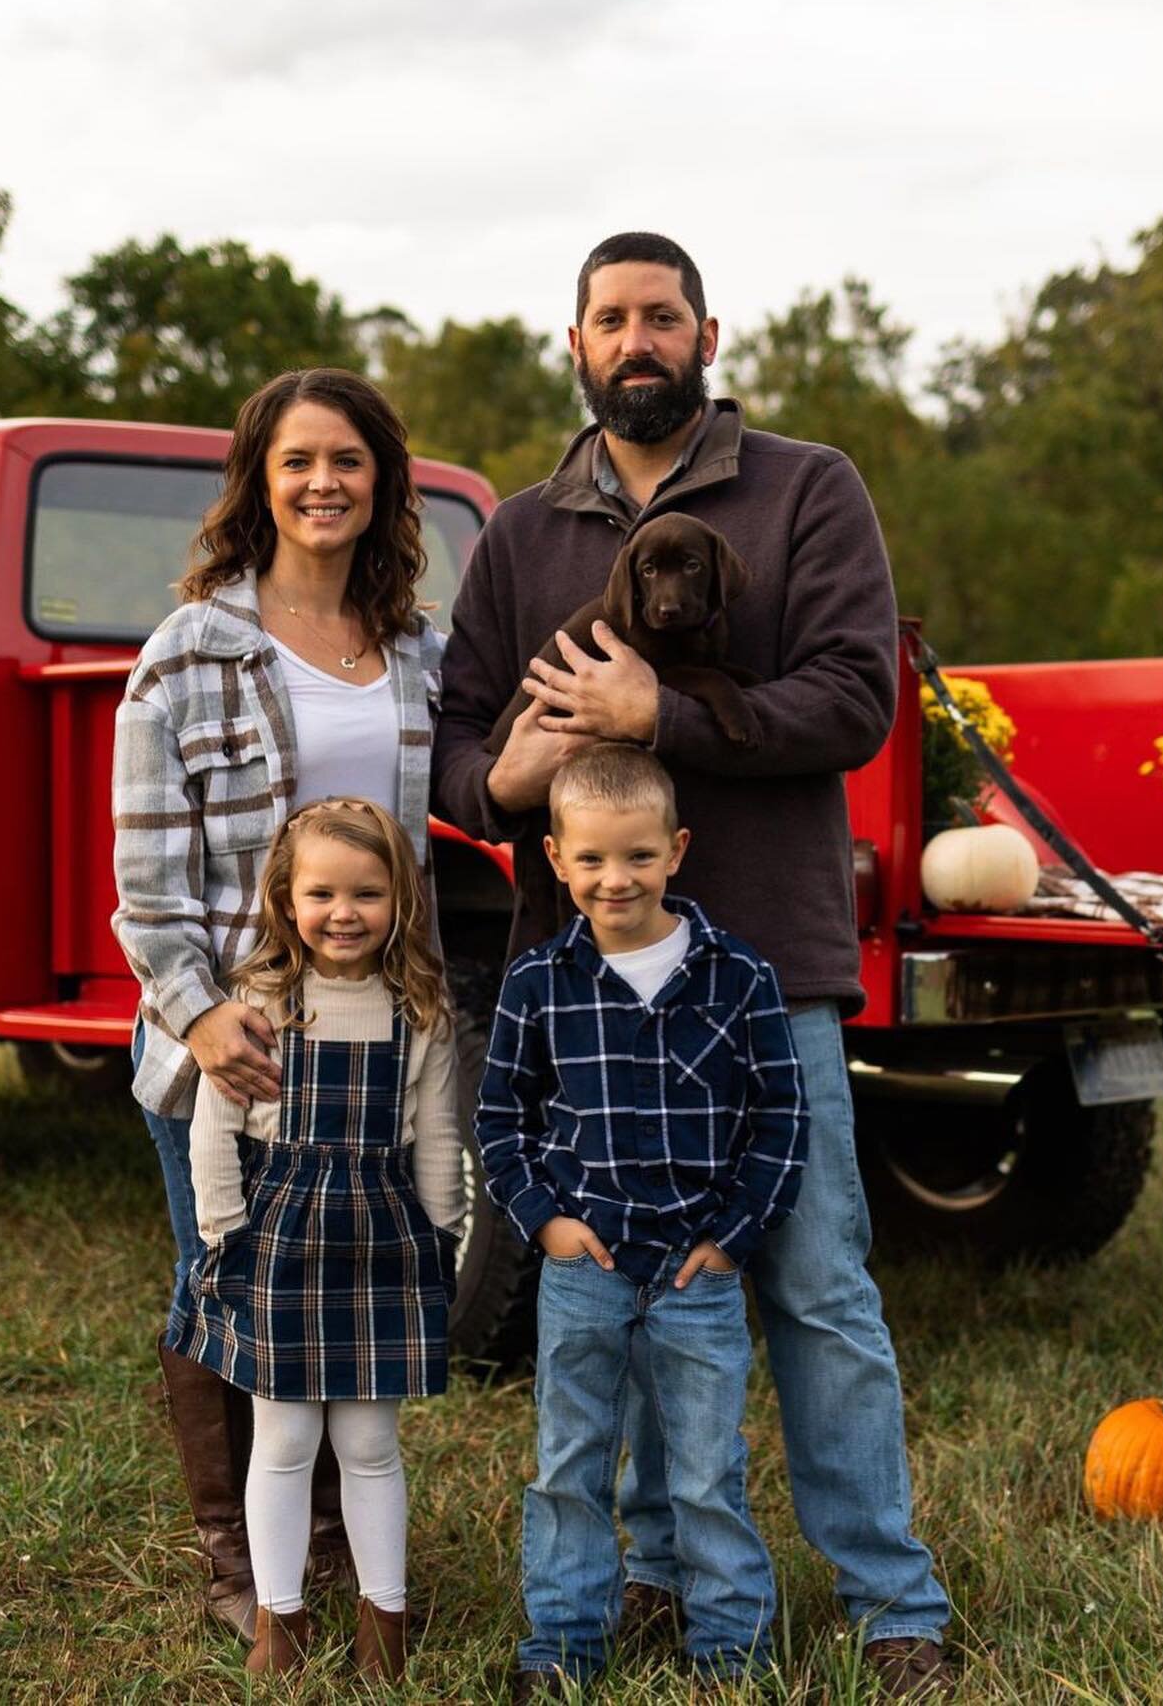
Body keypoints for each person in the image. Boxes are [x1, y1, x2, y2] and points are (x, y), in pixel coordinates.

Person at [433, 231, 954, 1697]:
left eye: (662, 315)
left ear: (708, 335)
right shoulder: (526, 533)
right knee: (640, 1279)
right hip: (592, 982)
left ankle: (890, 1600)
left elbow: (854, 699)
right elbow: (462, 741)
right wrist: (510, 778)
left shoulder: (808, 488)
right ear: (579, 344)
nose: (636, 339)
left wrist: (660, 709)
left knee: (813, 1279)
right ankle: (658, 1575)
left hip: (766, 963)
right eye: (611, 318)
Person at [112, 368, 445, 1646]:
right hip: (236, 1037)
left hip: (369, 1032)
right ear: (258, 478)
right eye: (298, 459)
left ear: (382, 482)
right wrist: (199, 1018)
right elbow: (147, 873)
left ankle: (339, 1556)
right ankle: (241, 1566)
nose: (323, 482)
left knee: (341, 1285)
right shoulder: (189, 649)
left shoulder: (413, 648)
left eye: (349, 460)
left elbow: (448, 802)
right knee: (229, 1282)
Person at [476, 745, 807, 1692]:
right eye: (591, 860)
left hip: (697, 1270)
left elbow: (783, 1118)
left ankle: (730, 1651)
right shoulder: (539, 983)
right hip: (587, 1261)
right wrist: (545, 1224)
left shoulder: (739, 977)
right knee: (569, 1463)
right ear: (555, 859)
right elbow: (501, 1120)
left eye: (636, 857)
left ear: (676, 850)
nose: (614, 879)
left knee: (706, 1470)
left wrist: (735, 1237)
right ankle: (566, 1643)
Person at [176, 798, 462, 1679]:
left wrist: (442, 1237)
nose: (345, 912)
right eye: (323, 893)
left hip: (380, 1243)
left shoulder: (418, 1010)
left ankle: (386, 1619)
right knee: (285, 1442)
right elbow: (214, 1130)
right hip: (278, 1243)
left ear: (401, 899)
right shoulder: (261, 1000)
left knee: (371, 1446)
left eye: (368, 893)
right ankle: (280, 1619)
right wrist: (224, 1234)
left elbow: (439, 1135)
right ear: (285, 898)